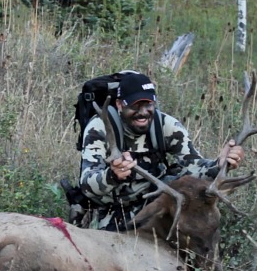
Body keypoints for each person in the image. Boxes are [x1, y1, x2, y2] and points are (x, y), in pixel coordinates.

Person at [76, 72, 245, 231]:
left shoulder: (166, 126)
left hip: (154, 199)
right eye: (135, 105)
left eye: (148, 104)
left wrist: (218, 165)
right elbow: (87, 185)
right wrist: (112, 175)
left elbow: (194, 168)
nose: (143, 113)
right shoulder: (100, 127)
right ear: (120, 105)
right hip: (112, 207)